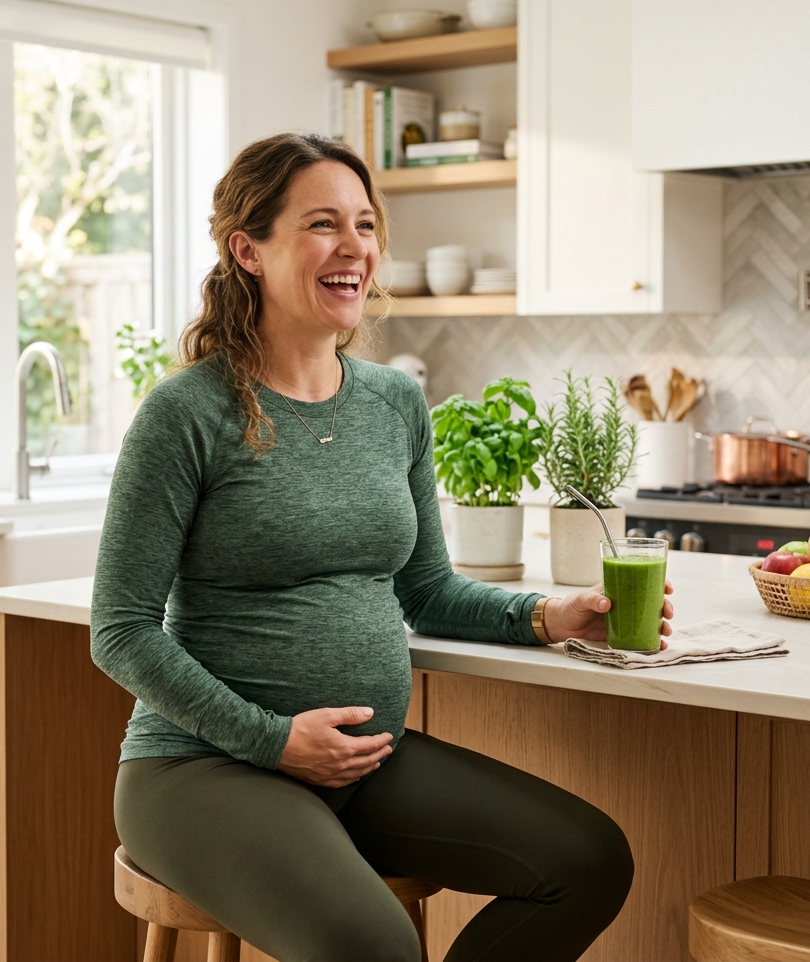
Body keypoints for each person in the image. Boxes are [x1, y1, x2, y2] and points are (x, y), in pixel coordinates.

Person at [91, 132, 674, 962]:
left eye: (365, 225)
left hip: (363, 759)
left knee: (586, 861)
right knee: (380, 948)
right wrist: (273, 739)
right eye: (324, 224)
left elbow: (427, 590)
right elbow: (120, 631)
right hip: (204, 767)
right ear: (247, 250)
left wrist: (551, 616)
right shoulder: (187, 413)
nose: (355, 248)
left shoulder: (395, 402)